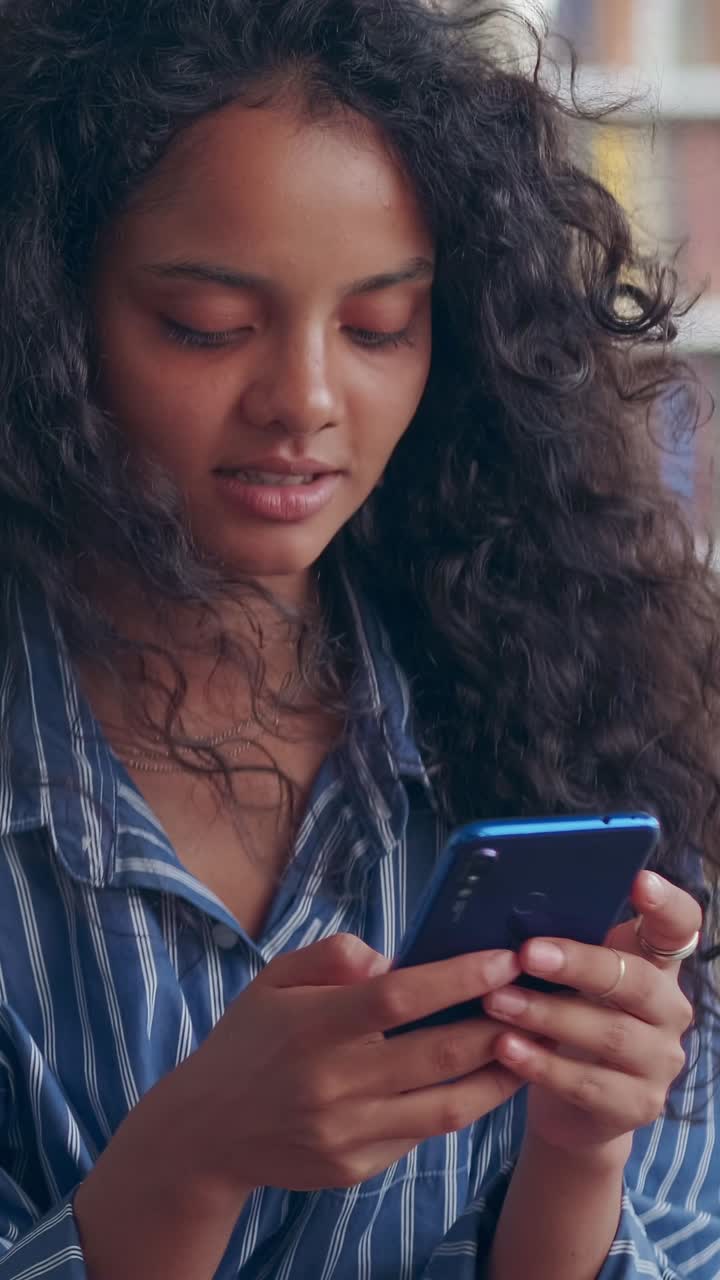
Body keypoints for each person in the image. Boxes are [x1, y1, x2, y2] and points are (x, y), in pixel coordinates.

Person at [0, 0, 717, 1276]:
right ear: (43, 326)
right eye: (207, 326)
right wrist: (184, 1167)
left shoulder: (552, 712)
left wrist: (577, 1156)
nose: (308, 402)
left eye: (381, 326)